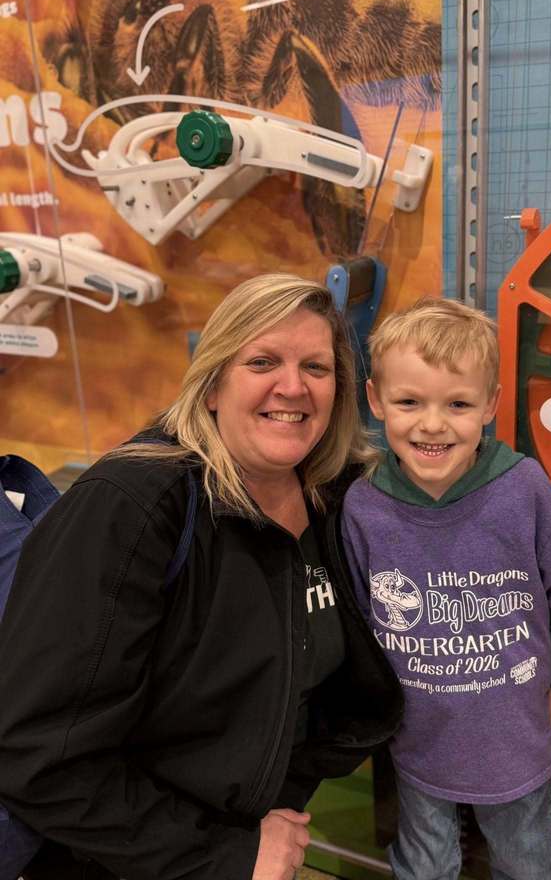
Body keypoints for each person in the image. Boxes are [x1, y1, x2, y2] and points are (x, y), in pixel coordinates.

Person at [0, 273, 403, 880]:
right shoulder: (133, 507)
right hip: (130, 859)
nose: (292, 387)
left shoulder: (335, 496)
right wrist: (225, 857)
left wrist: (280, 804)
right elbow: (38, 756)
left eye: (316, 368)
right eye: (263, 361)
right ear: (213, 384)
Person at [341, 296, 551, 880]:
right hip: (418, 739)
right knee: (424, 864)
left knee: (526, 861)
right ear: (376, 400)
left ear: (491, 406)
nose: (432, 424)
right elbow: (357, 621)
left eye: (457, 403)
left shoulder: (525, 489)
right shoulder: (362, 507)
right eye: (409, 402)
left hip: (515, 738)